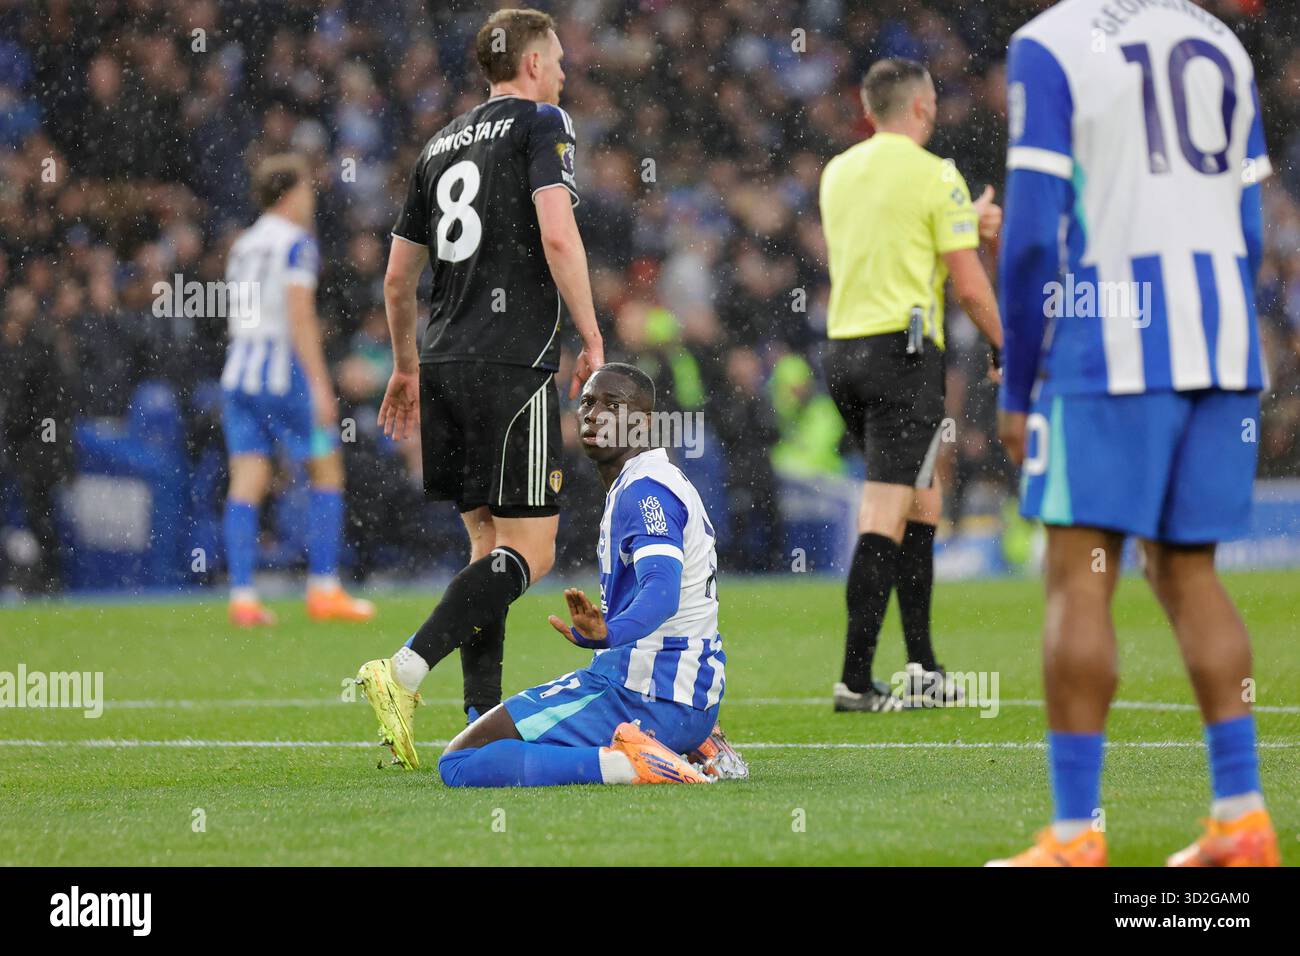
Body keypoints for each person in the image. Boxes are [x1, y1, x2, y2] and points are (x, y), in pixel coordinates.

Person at [990, 0, 1279, 866]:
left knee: (1079, 575)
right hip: (1222, 340)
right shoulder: (1218, 38)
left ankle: (1075, 835)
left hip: (1112, 342)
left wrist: (1021, 373)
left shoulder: (1049, 42)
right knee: (1190, 571)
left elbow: (1034, 235)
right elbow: (1252, 225)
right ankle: (1242, 816)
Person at [356, 8, 604, 767]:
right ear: (531, 64)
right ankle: (403, 670)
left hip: (442, 362)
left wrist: (403, 366)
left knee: (485, 545)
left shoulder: (438, 144)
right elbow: (558, 233)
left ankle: (476, 720)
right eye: (556, 59)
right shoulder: (542, 121)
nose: (562, 71)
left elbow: (399, 277)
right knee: (531, 549)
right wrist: (592, 336)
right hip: (512, 361)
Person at [435, 364, 744, 786]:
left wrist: (609, 634)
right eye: (587, 402)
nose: (594, 413)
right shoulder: (653, 479)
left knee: (461, 761)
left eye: (612, 405)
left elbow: (662, 590)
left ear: (644, 424)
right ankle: (698, 744)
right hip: (683, 696)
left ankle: (632, 763)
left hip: (642, 695)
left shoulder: (645, 490)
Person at [818, 58, 1003, 713]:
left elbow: (888, 238)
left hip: (843, 353)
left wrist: (962, 218)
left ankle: (922, 667)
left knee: (921, 500)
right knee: (886, 509)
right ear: (922, 107)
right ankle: (854, 678)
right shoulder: (936, 176)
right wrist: (1004, 347)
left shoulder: (838, 171)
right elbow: (970, 282)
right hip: (905, 354)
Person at [220, 153, 374, 626]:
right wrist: (320, 384)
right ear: (289, 195)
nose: (311, 199)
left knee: (247, 478)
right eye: (307, 190)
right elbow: (300, 315)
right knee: (327, 468)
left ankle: (242, 596)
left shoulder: (242, 245)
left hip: (238, 374)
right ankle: (324, 587)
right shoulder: (297, 245)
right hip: (282, 374)